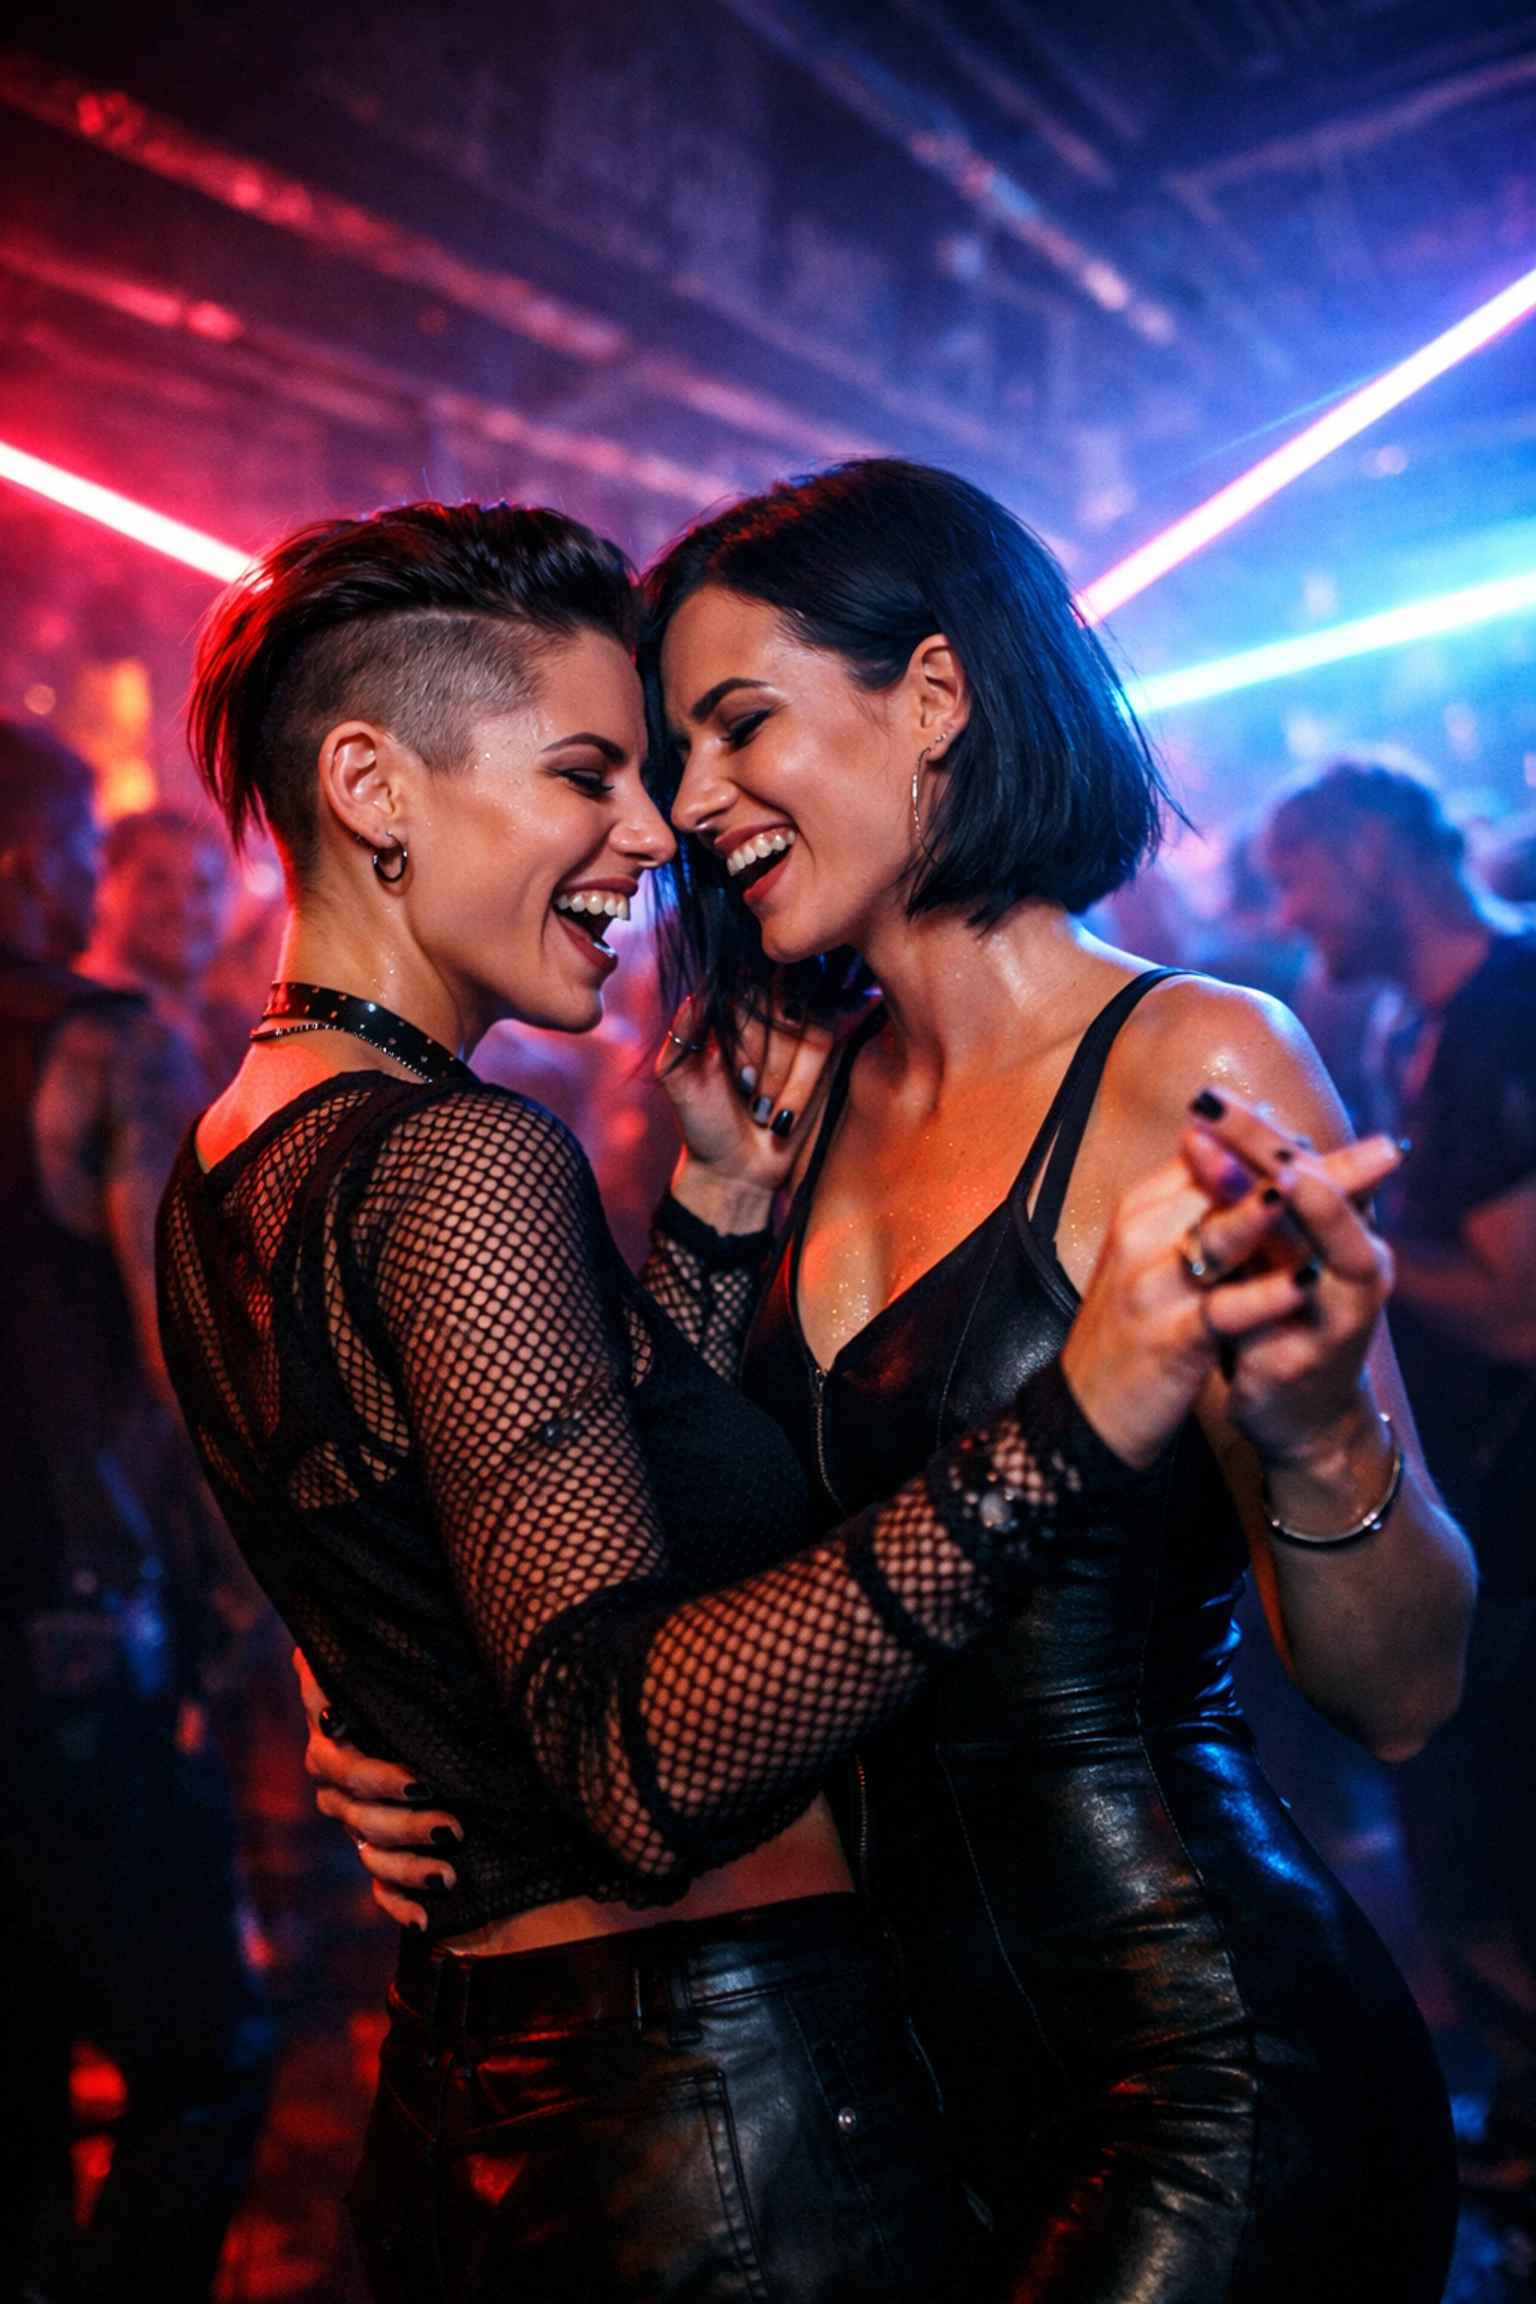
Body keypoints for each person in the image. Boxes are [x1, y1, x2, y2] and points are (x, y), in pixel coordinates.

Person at [157, 497, 1347, 2304]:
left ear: (938, 694)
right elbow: (626, 1745)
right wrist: (1079, 1405)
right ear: (373, 789)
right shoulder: (460, 1151)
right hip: (719, 2092)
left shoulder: (232, 1148)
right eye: (601, 768)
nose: (663, 826)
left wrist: (714, 1215)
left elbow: (569, 1520)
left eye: (706, 743)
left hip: (977, 2046)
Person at [0, 721, 271, 2304]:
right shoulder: (103, 1043)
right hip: (77, 1639)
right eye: (92, 863)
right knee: (209, 2060)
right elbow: (187, 1374)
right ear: (38, 862)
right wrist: (254, 1597)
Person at [1267, 760, 1536, 2181]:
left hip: (1528, 1534)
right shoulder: (1401, 1023)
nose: (1288, 907)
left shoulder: (1515, 1006)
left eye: (1301, 872)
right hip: (1479, 1523)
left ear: (1375, 853)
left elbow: (1513, 1302)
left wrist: (1335, 1239)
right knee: (1464, 1852)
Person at [78, 804, 245, 1097]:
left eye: (203, 886)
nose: (181, 905)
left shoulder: (235, 1030)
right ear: (103, 886)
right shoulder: (84, 1024)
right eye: (155, 881)